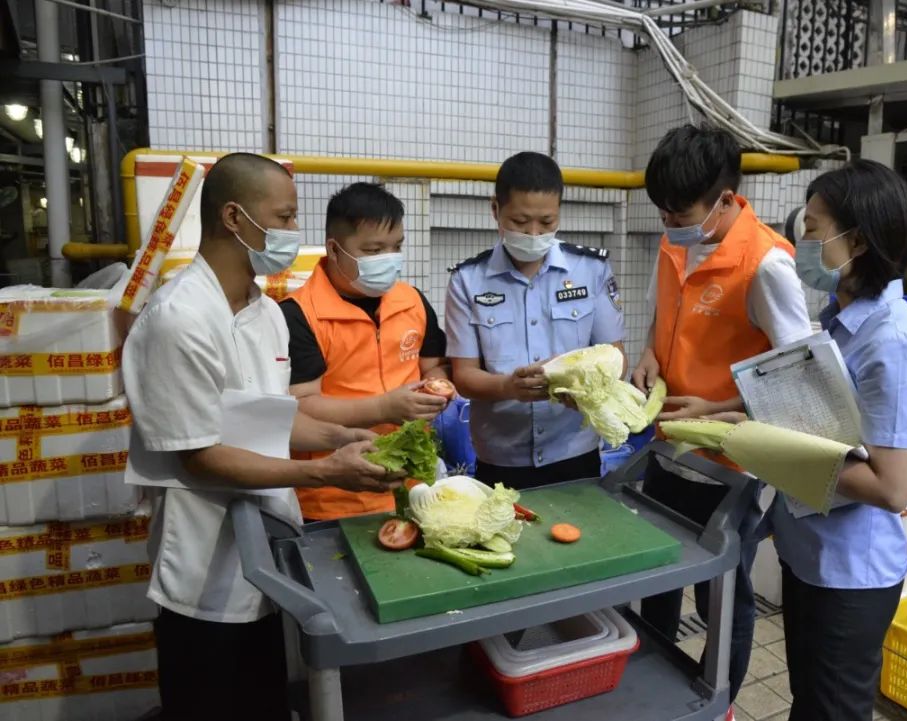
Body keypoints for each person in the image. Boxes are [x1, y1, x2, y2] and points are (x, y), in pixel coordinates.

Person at [123, 153, 402, 721]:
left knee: (265, 700)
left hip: (265, 555)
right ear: (233, 217)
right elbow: (200, 456)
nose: (293, 233)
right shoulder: (178, 319)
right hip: (203, 565)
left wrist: (346, 436)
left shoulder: (266, 311)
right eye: (286, 216)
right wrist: (327, 470)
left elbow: (274, 417)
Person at [630, 124, 812, 710]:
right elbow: (666, 320)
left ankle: (722, 702)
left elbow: (798, 381)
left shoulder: (766, 266)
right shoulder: (676, 240)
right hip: (669, 448)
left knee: (722, 598)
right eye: (661, 211)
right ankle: (651, 689)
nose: (667, 223)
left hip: (731, 463)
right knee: (656, 578)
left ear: (727, 200)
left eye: (678, 211)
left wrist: (719, 408)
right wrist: (648, 357)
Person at [759, 159, 907, 720]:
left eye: (812, 228)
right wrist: (724, 411)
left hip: (849, 576)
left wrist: (769, 449)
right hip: (809, 557)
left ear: (855, 240)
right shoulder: (840, 320)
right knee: (810, 705)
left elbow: (892, 487)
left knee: (834, 711)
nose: (801, 242)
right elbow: (812, 412)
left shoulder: (894, 344)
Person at [444, 151, 625, 488]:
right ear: (495, 210)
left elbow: (614, 356)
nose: (532, 232)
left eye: (546, 222)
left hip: (575, 451)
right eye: (519, 221)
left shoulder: (592, 269)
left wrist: (582, 387)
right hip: (500, 459)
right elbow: (463, 376)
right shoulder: (467, 280)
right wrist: (506, 387)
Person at [281, 182, 450, 520]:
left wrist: (438, 389)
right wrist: (384, 408)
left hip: (411, 484)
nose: (388, 259)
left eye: (396, 246)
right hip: (334, 496)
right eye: (374, 250)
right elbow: (300, 405)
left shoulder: (412, 301)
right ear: (334, 248)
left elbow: (432, 366)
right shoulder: (299, 314)